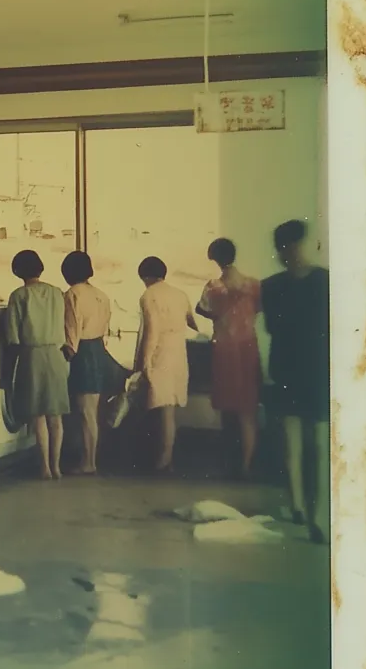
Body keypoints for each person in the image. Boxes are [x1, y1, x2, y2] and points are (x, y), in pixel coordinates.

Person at [261, 220, 329, 543]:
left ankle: (305, 509)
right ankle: (306, 510)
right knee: (309, 441)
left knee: (303, 442)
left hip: (297, 365)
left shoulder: (273, 285)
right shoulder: (322, 281)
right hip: (309, 366)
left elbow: (275, 327)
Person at [196, 238, 263, 477]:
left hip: (224, 349)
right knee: (247, 410)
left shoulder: (213, 287)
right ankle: (247, 465)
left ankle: (229, 462)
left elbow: (202, 309)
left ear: (215, 258)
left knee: (226, 409)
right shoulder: (253, 285)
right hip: (247, 347)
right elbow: (259, 308)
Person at [5, 250, 71, 479]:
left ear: (17, 271)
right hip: (56, 355)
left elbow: (12, 335)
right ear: (40, 268)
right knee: (56, 415)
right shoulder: (57, 293)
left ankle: (44, 467)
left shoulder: (18, 296)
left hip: (31, 355)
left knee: (38, 415)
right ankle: (57, 467)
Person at [135, 256, 199, 473]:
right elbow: (193, 322)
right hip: (178, 352)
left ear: (145, 277)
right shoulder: (180, 294)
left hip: (160, 352)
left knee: (160, 407)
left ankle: (163, 459)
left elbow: (151, 331)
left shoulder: (149, 295)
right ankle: (167, 457)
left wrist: (145, 361)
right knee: (169, 407)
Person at [61, 251, 112, 475]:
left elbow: (72, 329)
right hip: (99, 350)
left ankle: (88, 462)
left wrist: (67, 354)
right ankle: (90, 458)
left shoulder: (73, 294)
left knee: (84, 412)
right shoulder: (101, 295)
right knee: (92, 411)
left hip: (82, 352)